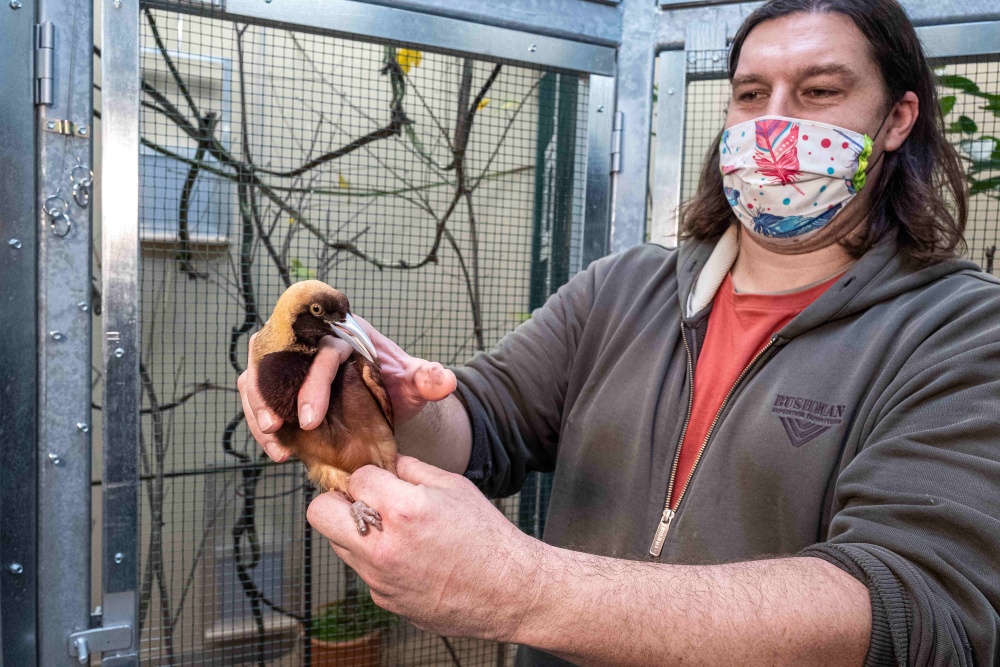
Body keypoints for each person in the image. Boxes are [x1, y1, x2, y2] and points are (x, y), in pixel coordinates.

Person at [237, 0, 1000, 664]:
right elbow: (481, 421)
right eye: (750, 94)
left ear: (898, 117)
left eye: (819, 91)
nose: (775, 124)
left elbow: (913, 607)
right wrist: (365, 393)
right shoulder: (623, 289)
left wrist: (524, 589)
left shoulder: (962, 332)